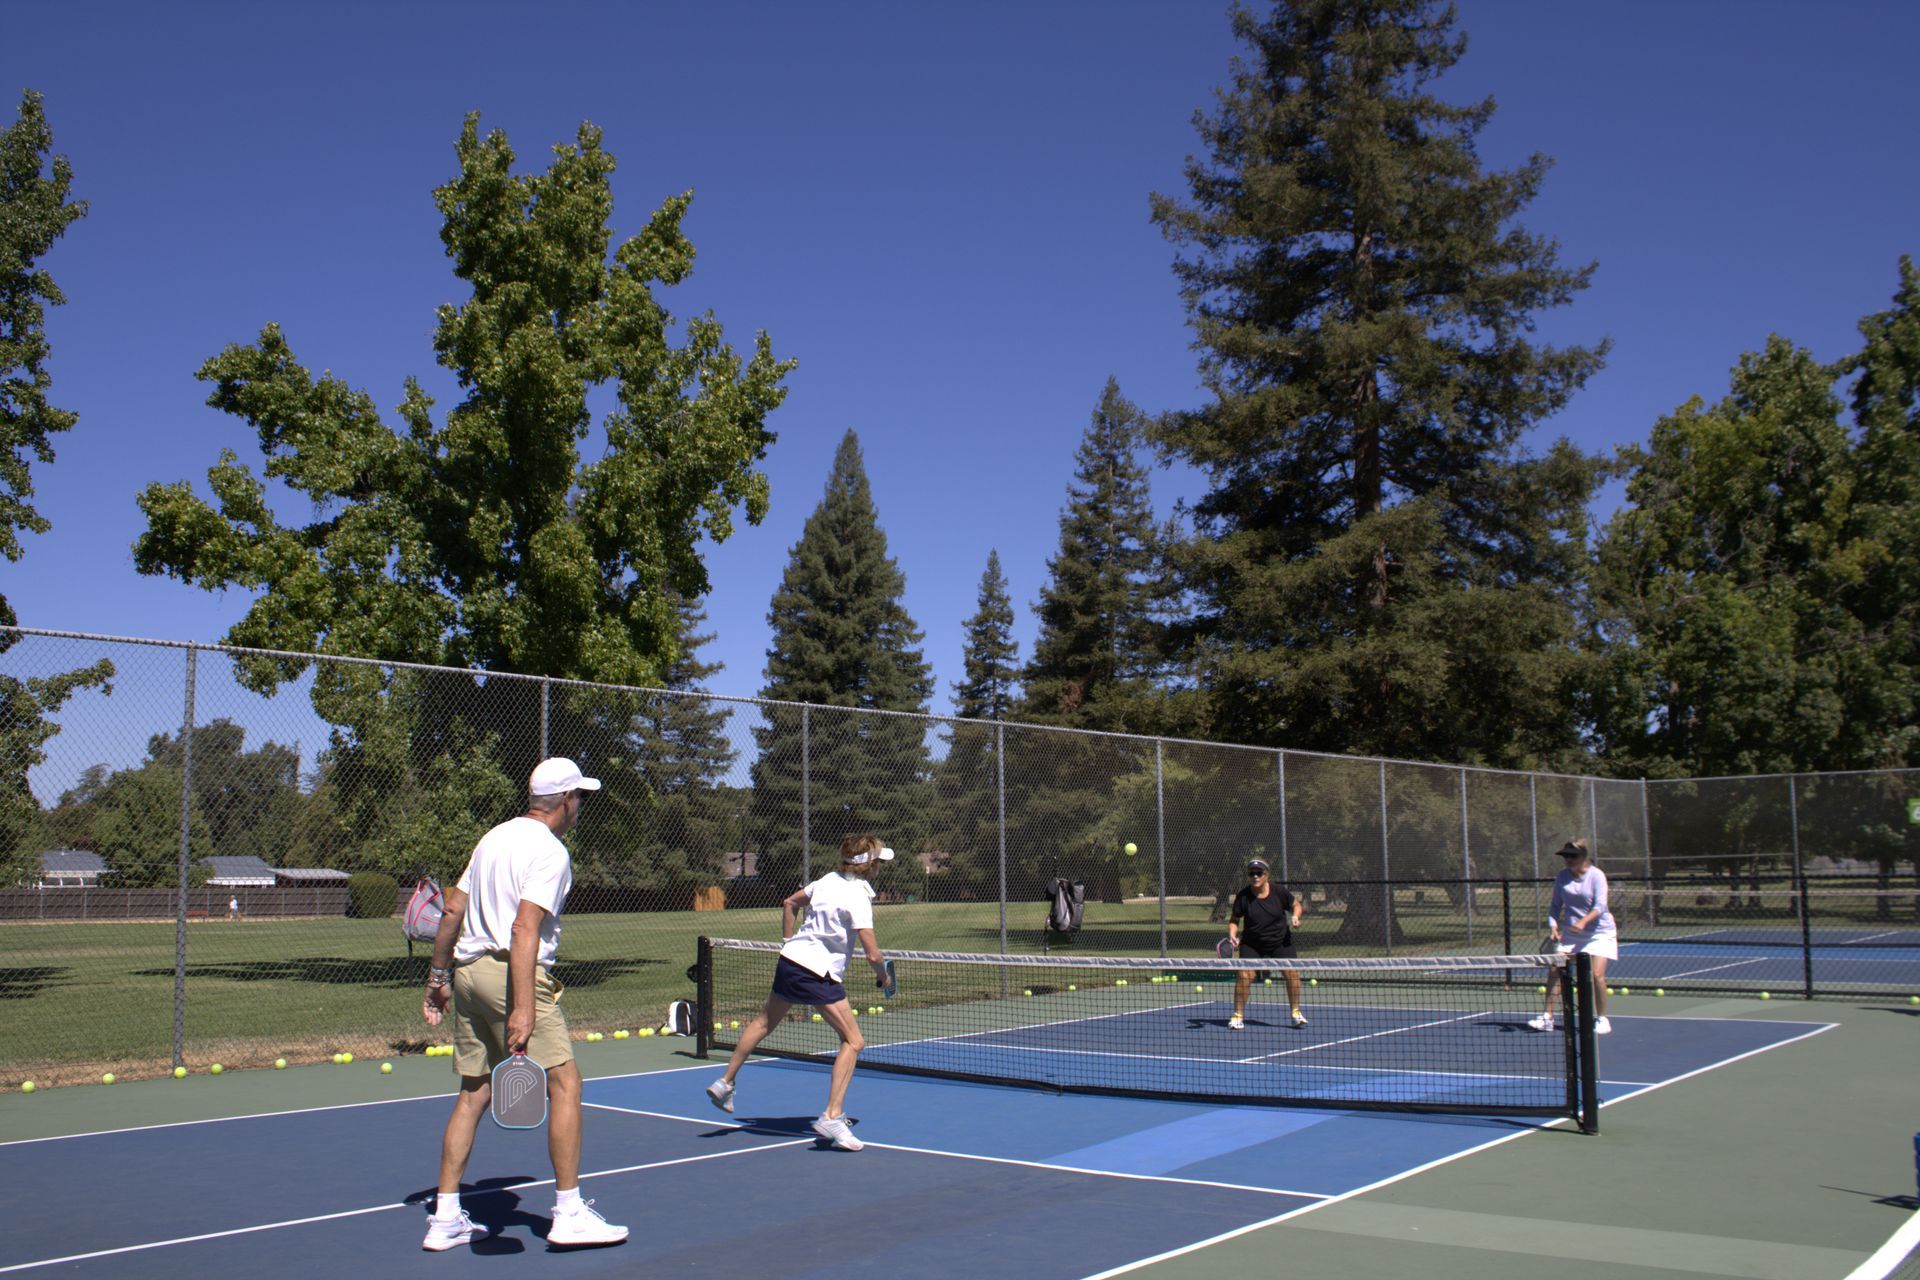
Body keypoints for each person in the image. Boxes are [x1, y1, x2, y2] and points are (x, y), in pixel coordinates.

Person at [418, 757, 627, 1253]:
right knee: (566, 1083)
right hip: (510, 976)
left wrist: (438, 977)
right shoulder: (551, 853)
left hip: (466, 976)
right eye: (580, 797)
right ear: (563, 801)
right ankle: (569, 1213)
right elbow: (523, 928)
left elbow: (451, 909)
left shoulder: (491, 838)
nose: (581, 806)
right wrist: (524, 1006)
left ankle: (445, 1218)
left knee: (473, 1092)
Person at [705, 833, 893, 1151]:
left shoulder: (826, 881)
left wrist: (788, 940)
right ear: (869, 865)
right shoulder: (859, 895)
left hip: (790, 962)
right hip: (818, 974)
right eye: (879, 862)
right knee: (854, 1041)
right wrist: (883, 977)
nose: (880, 868)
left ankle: (725, 1082)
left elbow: (790, 902)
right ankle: (832, 1116)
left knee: (764, 1022)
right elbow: (873, 954)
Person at [1530, 838, 1616, 1036]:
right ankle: (1547, 1018)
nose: (1567, 859)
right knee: (1555, 969)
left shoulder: (1597, 876)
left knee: (1596, 975)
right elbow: (1555, 906)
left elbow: (1600, 906)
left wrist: (1584, 922)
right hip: (1572, 933)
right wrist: (1553, 926)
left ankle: (1602, 1018)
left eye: (1572, 856)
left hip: (1600, 932)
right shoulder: (1562, 877)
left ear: (1584, 857)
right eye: (1565, 856)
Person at [1226, 857, 1306, 1029]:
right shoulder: (1243, 896)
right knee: (1245, 976)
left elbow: (1296, 905)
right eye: (1251, 873)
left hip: (1280, 942)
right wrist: (1233, 935)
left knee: (1292, 974)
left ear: (1266, 875)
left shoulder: (1279, 892)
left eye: (1259, 873)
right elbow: (1234, 920)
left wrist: (1295, 916)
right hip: (1252, 943)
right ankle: (1237, 1015)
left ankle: (1295, 1012)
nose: (1255, 876)